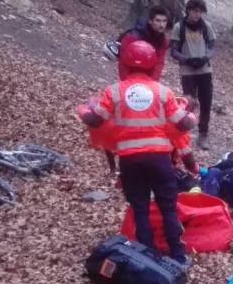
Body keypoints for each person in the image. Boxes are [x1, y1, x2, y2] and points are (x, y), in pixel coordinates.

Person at [78, 40, 193, 265]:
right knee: (168, 207)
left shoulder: (114, 92)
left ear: (125, 64)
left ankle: (147, 257)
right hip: (159, 158)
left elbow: (95, 120)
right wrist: (192, 118)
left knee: (140, 207)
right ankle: (178, 256)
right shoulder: (163, 92)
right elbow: (182, 125)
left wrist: (82, 111)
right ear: (153, 65)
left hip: (130, 159)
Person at [169, 0, 216, 150]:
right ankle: (186, 132)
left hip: (204, 70)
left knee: (206, 102)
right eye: (195, 11)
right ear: (188, 10)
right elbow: (174, 51)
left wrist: (205, 58)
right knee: (188, 103)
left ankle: (203, 134)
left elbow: (213, 47)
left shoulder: (206, 26)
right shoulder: (179, 27)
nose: (198, 14)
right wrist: (187, 59)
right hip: (187, 71)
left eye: (200, 12)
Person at [118, 6, 172, 81]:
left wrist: (152, 83)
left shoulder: (163, 41)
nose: (161, 25)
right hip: (130, 75)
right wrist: (126, 82)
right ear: (150, 21)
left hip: (148, 78)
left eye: (164, 21)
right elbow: (123, 63)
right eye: (158, 21)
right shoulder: (132, 37)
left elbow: (159, 64)